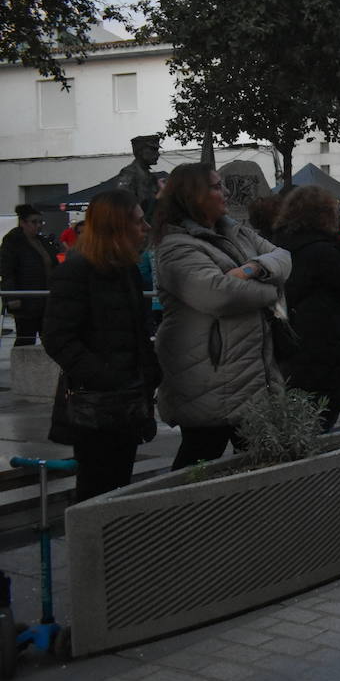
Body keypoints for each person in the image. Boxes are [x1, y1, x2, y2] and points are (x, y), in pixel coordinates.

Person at [153, 163, 292, 469]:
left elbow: (283, 258)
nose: (225, 192)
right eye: (216, 187)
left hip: (250, 376)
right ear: (193, 196)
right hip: (209, 378)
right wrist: (271, 292)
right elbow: (219, 294)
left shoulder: (235, 231)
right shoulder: (176, 247)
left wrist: (252, 269)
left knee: (261, 464)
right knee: (198, 464)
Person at [43, 190, 160, 501]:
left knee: (119, 484)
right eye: (138, 221)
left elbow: (135, 332)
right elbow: (57, 337)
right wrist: (105, 377)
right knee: (95, 489)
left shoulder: (126, 270)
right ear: (116, 226)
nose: (145, 227)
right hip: (95, 405)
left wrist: (148, 374)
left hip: (129, 401)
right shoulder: (77, 271)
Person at [274, 185, 340, 431]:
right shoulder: (323, 251)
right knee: (322, 414)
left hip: (295, 336)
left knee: (305, 410)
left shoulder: (281, 245)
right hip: (326, 338)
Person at [2, 204, 61, 345]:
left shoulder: (43, 241)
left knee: (49, 337)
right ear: (23, 223)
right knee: (26, 337)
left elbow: (54, 264)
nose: (39, 225)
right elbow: (6, 270)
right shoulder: (13, 242)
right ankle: (22, 365)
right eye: (34, 222)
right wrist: (12, 296)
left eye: (41, 222)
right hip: (26, 298)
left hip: (45, 297)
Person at [113, 134, 162, 219]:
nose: (158, 154)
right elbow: (123, 204)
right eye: (153, 150)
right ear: (140, 151)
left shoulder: (151, 177)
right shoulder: (129, 173)